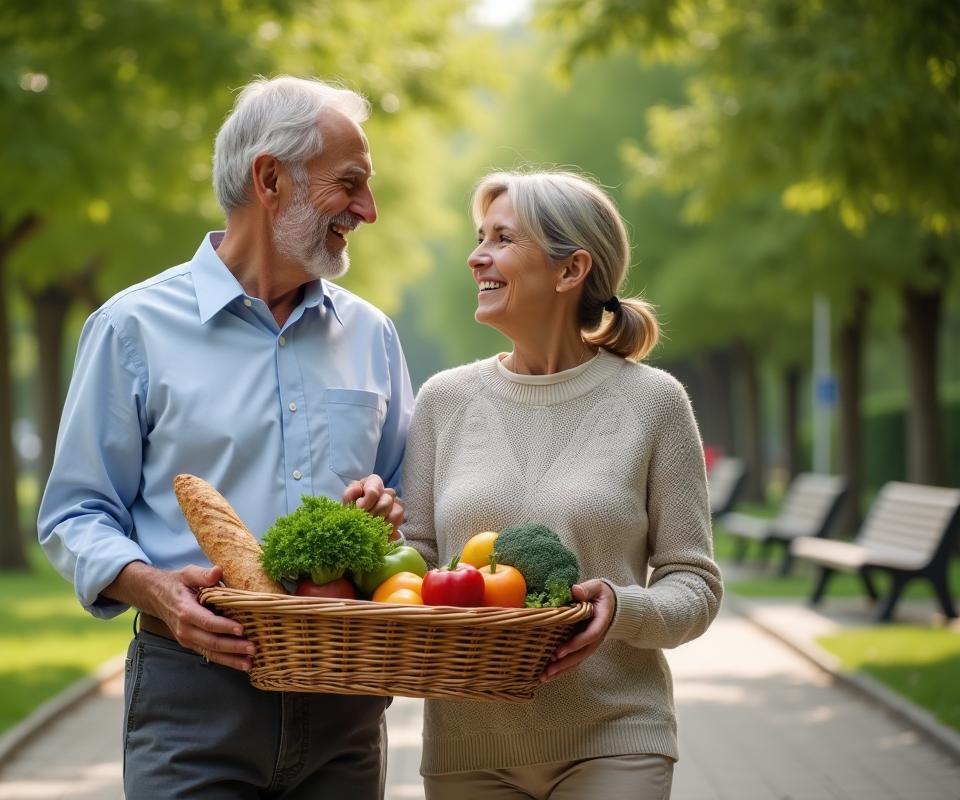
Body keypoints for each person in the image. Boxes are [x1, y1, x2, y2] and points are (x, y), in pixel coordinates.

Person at [38, 76, 413, 799]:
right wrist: (154, 589)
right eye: (350, 184)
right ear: (270, 179)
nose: (368, 209)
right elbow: (74, 514)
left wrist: (387, 510)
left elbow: (409, 498)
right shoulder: (130, 329)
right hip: (193, 697)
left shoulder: (372, 334)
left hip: (345, 701)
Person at [401, 169, 722, 800]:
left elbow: (695, 583)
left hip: (616, 734)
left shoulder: (654, 403)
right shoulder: (444, 400)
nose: (476, 256)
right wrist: (373, 536)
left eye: (502, 238)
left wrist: (623, 608)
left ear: (570, 269)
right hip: (469, 745)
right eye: (479, 237)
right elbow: (417, 563)